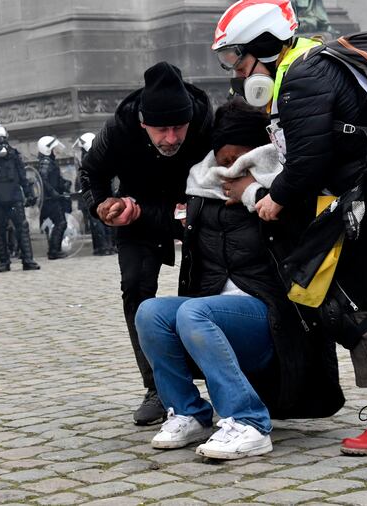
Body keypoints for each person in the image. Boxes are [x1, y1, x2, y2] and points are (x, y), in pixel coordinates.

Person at [212, 0, 367, 454]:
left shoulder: (302, 76)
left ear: (264, 45)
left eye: (235, 57)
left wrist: (272, 200)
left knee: (344, 299)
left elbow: (308, 161)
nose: (236, 72)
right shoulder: (315, 62)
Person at [136, 99, 344, 459]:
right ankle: (188, 411)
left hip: (273, 313)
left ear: (259, 151)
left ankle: (249, 422)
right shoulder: (202, 186)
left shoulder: (286, 186)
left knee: (194, 313)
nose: (229, 168)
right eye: (224, 159)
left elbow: (308, 235)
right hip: (214, 309)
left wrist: (256, 192)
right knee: (150, 312)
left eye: (239, 159)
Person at [79, 61, 213, 425]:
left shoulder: (206, 122)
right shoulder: (119, 128)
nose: (171, 138)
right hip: (137, 215)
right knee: (136, 290)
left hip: (198, 214)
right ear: (142, 124)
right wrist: (103, 206)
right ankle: (158, 387)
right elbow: (91, 174)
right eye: (161, 130)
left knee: (208, 292)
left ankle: (220, 379)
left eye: (178, 128)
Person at [0, 123, 40, 272]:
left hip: (13, 197)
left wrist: (28, 192)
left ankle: (28, 260)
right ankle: (4, 261)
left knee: (22, 228)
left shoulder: (13, 154)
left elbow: (22, 175)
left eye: (2, 139)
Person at [74, 133, 116, 256]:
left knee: (98, 221)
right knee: (106, 218)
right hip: (105, 193)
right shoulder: (102, 155)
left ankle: (103, 247)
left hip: (95, 194)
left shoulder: (89, 159)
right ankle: (109, 245)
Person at [37, 136, 72, 260]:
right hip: (49, 200)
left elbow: (55, 180)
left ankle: (54, 250)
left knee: (58, 223)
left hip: (51, 199)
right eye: (53, 148)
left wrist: (65, 184)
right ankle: (54, 251)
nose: (55, 151)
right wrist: (53, 192)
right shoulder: (46, 162)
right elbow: (43, 180)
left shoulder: (49, 161)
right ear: (47, 149)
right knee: (61, 223)